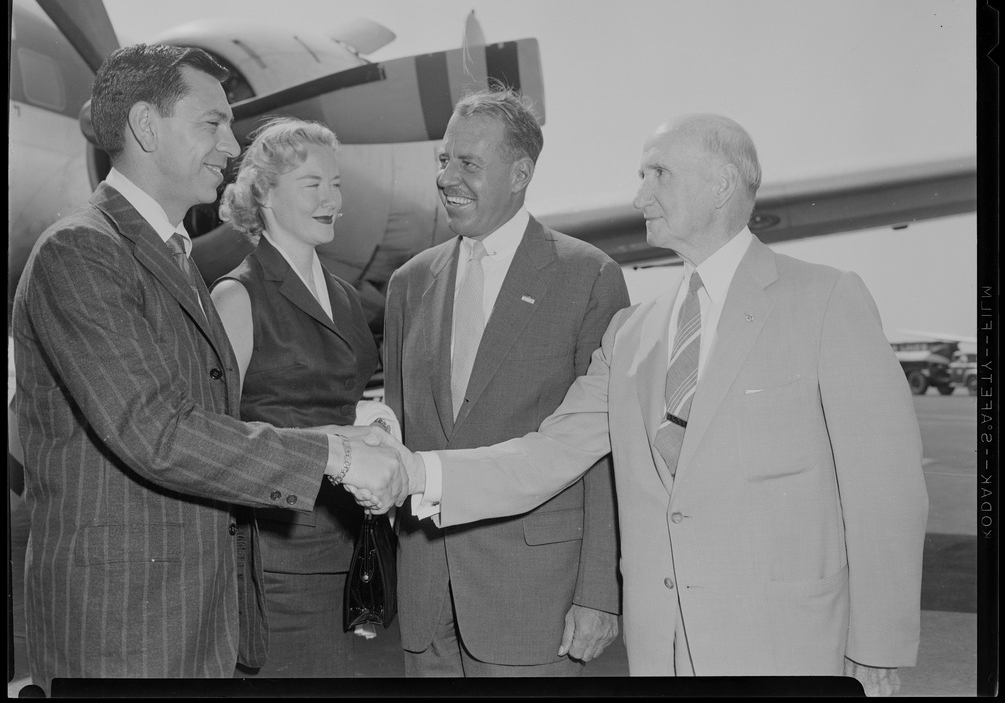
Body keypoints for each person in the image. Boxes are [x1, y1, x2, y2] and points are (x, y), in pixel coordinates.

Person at [364, 113, 929, 694]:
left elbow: (886, 489)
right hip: (663, 648)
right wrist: (417, 471)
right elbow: (550, 453)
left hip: (790, 644)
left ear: (722, 186)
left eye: (659, 173)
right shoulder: (631, 334)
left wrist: (878, 645)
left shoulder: (827, 300)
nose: (639, 194)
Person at [11, 44, 405, 693]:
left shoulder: (173, 255)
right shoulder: (82, 250)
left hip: (195, 619)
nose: (231, 143)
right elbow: (154, 431)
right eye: (211, 123)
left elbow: (209, 420)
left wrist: (337, 435)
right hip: (124, 631)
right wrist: (332, 455)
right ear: (145, 126)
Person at [381, 88, 629, 676]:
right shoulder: (409, 282)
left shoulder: (588, 275)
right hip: (426, 598)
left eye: (468, 163)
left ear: (521, 173)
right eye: (443, 160)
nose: (447, 177)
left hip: (535, 601)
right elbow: (398, 426)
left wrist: (599, 592)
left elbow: (601, 450)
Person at [210, 117, 396, 677]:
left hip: (348, 544)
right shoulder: (237, 296)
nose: (331, 199)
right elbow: (217, 437)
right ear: (263, 192)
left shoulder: (343, 296)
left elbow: (340, 396)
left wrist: (374, 423)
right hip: (276, 553)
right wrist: (341, 440)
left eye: (336, 184)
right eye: (312, 184)